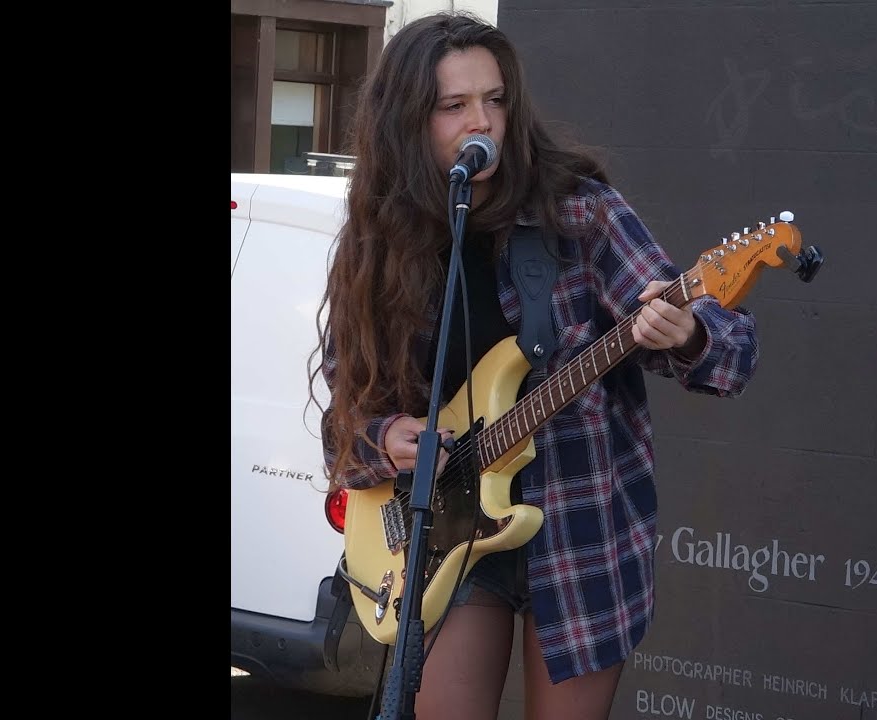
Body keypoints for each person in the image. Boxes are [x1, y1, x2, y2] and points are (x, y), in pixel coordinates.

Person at [312, 11, 759, 720]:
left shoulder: (578, 212)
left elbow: (730, 354)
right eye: (453, 106)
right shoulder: (379, 243)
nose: (481, 122)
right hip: (444, 535)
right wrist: (386, 437)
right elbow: (345, 409)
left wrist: (688, 332)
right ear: (405, 122)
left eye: (495, 99)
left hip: (580, 532)